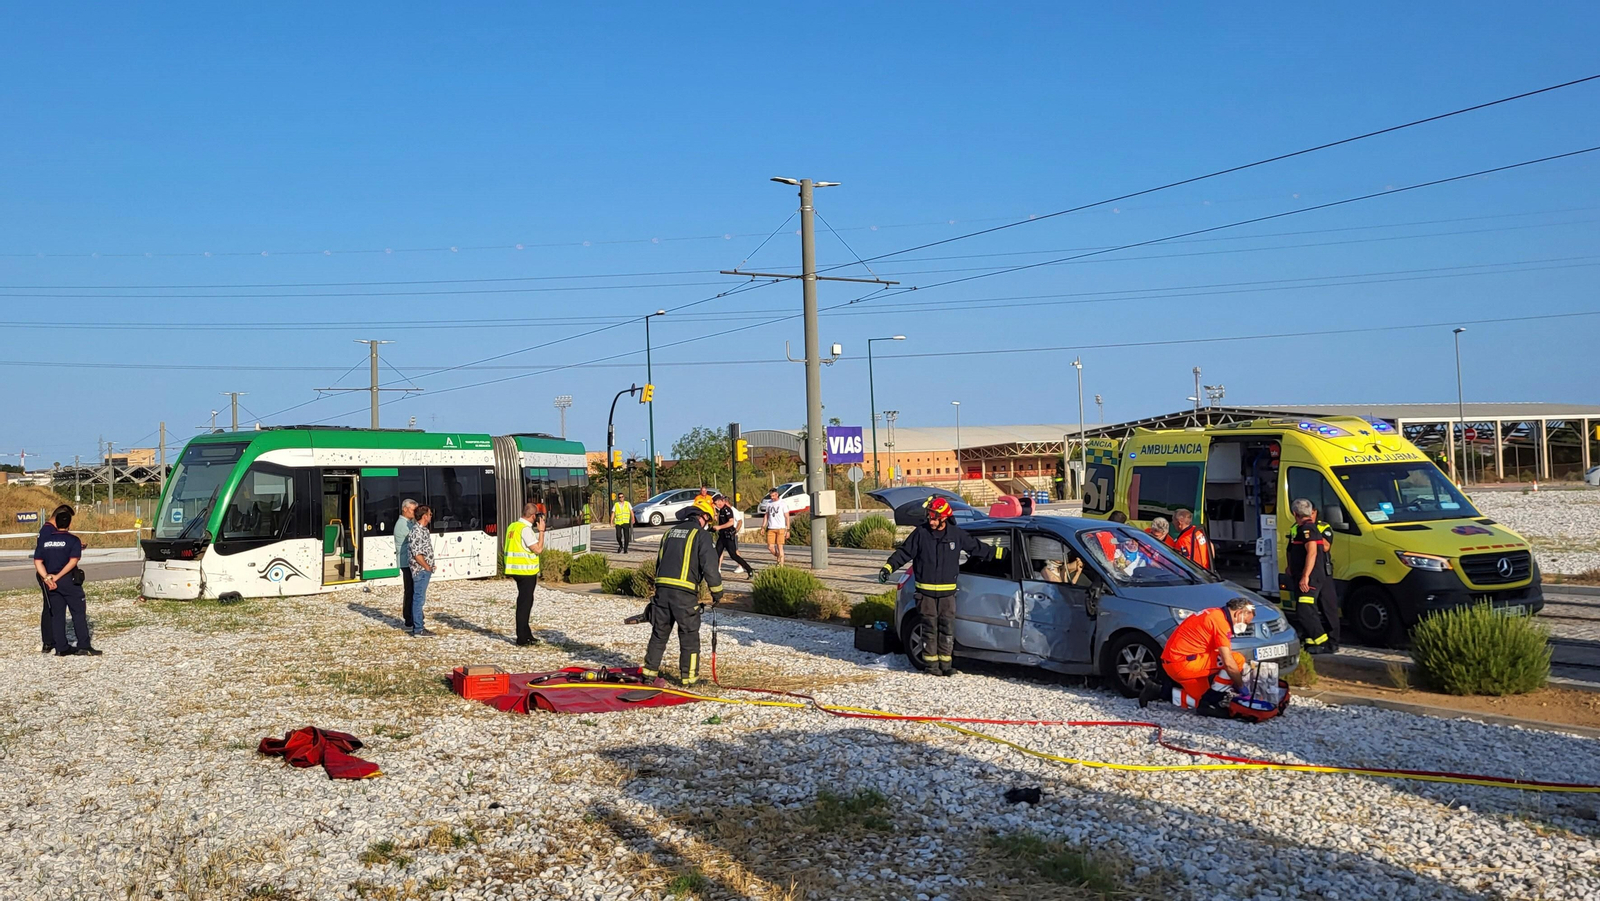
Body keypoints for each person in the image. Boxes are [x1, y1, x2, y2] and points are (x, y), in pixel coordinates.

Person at [878, 496, 1004, 676]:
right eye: (930, 516)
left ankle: (946, 665)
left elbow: (978, 548)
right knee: (929, 629)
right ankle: (931, 666)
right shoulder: (921, 534)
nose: (931, 521)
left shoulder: (956, 535)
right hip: (925, 594)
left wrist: (1001, 554)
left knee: (947, 629)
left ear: (944, 517)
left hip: (947, 595)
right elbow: (904, 552)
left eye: (935, 517)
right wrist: (888, 568)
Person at [642, 495, 724, 685]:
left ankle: (648, 674)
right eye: (708, 520)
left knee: (659, 633)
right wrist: (717, 593)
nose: (707, 524)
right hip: (684, 594)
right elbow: (710, 567)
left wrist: (658, 589)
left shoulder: (669, 532)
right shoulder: (701, 535)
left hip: (662, 592)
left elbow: (659, 562)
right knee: (689, 636)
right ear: (703, 516)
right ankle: (689, 679)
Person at [1142, 596, 1256, 711]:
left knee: (1201, 702)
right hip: (1185, 663)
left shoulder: (1213, 613)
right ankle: (1215, 696)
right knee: (1236, 659)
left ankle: (1158, 690)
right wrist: (1240, 686)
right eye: (1246, 622)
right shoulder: (1221, 623)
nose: (1245, 627)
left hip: (1176, 663)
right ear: (1238, 613)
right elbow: (1229, 664)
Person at [35, 505, 100, 657]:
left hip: (50, 579)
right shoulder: (72, 539)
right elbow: (73, 561)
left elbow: (38, 560)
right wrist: (57, 576)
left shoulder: (46, 539)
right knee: (78, 612)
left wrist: (47, 577)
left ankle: (61, 647)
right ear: (69, 523)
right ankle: (84, 645)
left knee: (57, 614)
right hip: (67, 579)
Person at [1286, 497, 1339, 654]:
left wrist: (1305, 576)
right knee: (1307, 609)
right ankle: (1312, 641)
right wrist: (1290, 566)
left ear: (1295, 513)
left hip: (1315, 575)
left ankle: (1325, 642)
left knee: (1312, 609)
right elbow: (1291, 549)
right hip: (1305, 574)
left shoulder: (1315, 528)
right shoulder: (1297, 528)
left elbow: (1315, 551)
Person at [504, 502, 546, 646]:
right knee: (525, 604)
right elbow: (538, 549)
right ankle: (522, 638)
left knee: (524, 602)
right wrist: (541, 531)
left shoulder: (513, 526)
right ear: (533, 516)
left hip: (514, 569)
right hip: (526, 571)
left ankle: (526, 634)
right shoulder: (525, 530)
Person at [408, 505, 437, 637]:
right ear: (425, 516)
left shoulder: (424, 530)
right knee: (418, 599)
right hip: (420, 571)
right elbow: (417, 554)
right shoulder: (416, 531)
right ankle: (418, 629)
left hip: (425, 570)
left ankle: (419, 625)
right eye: (430, 514)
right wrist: (426, 566)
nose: (431, 516)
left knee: (420, 598)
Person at [711, 494, 754, 578]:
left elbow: (731, 522)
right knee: (716, 554)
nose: (717, 505)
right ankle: (714, 573)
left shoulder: (727, 510)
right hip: (722, 536)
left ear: (722, 501)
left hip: (728, 536)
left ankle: (749, 569)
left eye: (718, 502)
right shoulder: (721, 510)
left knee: (733, 555)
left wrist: (719, 527)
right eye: (716, 504)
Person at [35, 513, 59, 653]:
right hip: (47, 573)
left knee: (56, 606)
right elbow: (41, 555)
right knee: (49, 606)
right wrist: (45, 576)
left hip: (53, 573)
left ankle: (57, 638)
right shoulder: (47, 531)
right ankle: (48, 641)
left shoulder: (52, 530)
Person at [394, 499, 418, 630]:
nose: (414, 513)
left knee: (411, 589)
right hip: (406, 561)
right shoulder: (403, 524)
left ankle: (411, 616)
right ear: (405, 509)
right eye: (413, 510)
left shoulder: (408, 523)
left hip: (407, 561)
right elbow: (415, 539)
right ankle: (409, 618)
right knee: (410, 590)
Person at [763, 488, 790, 567]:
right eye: (771, 496)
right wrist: (763, 526)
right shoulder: (769, 503)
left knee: (779, 546)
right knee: (770, 547)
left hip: (780, 528)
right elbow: (766, 515)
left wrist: (788, 530)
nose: (772, 497)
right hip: (771, 528)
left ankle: (781, 565)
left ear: (777, 494)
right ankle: (779, 556)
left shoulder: (782, 503)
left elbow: (787, 517)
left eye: (773, 496)